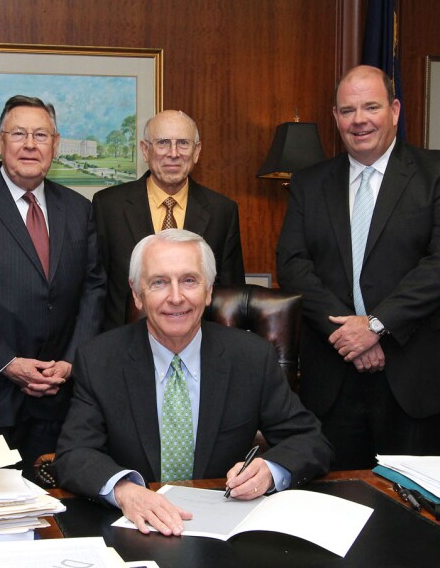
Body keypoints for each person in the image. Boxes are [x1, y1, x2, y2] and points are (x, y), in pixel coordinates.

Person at [54, 229, 332, 536]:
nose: (176, 297)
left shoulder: (250, 357)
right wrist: (124, 490)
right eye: (159, 282)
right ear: (136, 294)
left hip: (226, 533)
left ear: (209, 290)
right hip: (134, 530)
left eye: (189, 280)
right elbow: (74, 453)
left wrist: (270, 470)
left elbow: (309, 440)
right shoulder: (99, 359)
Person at [276, 65, 440, 471]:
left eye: (371, 107)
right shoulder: (309, 183)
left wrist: (375, 326)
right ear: (335, 118)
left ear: (395, 110)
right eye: (348, 110)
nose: (359, 120)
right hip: (335, 375)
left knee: (418, 511)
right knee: (334, 507)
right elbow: (293, 265)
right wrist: (347, 332)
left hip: (416, 375)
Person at [0, 95, 105, 478]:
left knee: (54, 521)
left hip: (58, 400)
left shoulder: (79, 209)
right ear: (0, 141)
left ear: (56, 144)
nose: (30, 144)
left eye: (40, 134)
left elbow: (94, 289)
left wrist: (69, 361)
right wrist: (7, 363)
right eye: (19, 133)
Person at [92, 110, 244, 331]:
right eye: (163, 143)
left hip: (198, 346)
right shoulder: (108, 206)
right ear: (145, 150)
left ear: (196, 151)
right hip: (123, 346)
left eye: (183, 143)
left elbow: (232, 294)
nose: (173, 153)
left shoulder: (223, 211)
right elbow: (96, 288)